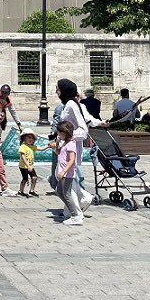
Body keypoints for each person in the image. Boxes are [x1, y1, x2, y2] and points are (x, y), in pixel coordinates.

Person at [56, 79, 94, 213]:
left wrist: (67, 137)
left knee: (67, 182)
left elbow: (83, 130)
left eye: (58, 89)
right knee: (67, 183)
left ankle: (75, 213)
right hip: (65, 148)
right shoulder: (69, 104)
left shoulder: (72, 104)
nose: (56, 92)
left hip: (71, 149)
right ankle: (76, 205)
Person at [54, 120, 83, 226]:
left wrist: (63, 171)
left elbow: (72, 160)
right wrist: (57, 144)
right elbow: (58, 152)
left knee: (66, 194)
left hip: (67, 174)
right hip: (63, 173)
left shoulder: (71, 144)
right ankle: (73, 213)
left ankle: (75, 215)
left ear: (64, 133)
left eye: (59, 133)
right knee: (59, 191)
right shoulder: (65, 143)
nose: (58, 134)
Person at [18, 128, 43, 197]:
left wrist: (48, 146)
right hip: (24, 166)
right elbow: (23, 157)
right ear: (24, 138)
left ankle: (31, 190)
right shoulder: (23, 147)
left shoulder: (32, 147)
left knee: (34, 177)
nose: (31, 139)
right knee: (25, 179)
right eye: (29, 137)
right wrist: (28, 166)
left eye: (32, 138)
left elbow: (40, 149)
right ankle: (21, 191)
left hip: (30, 166)